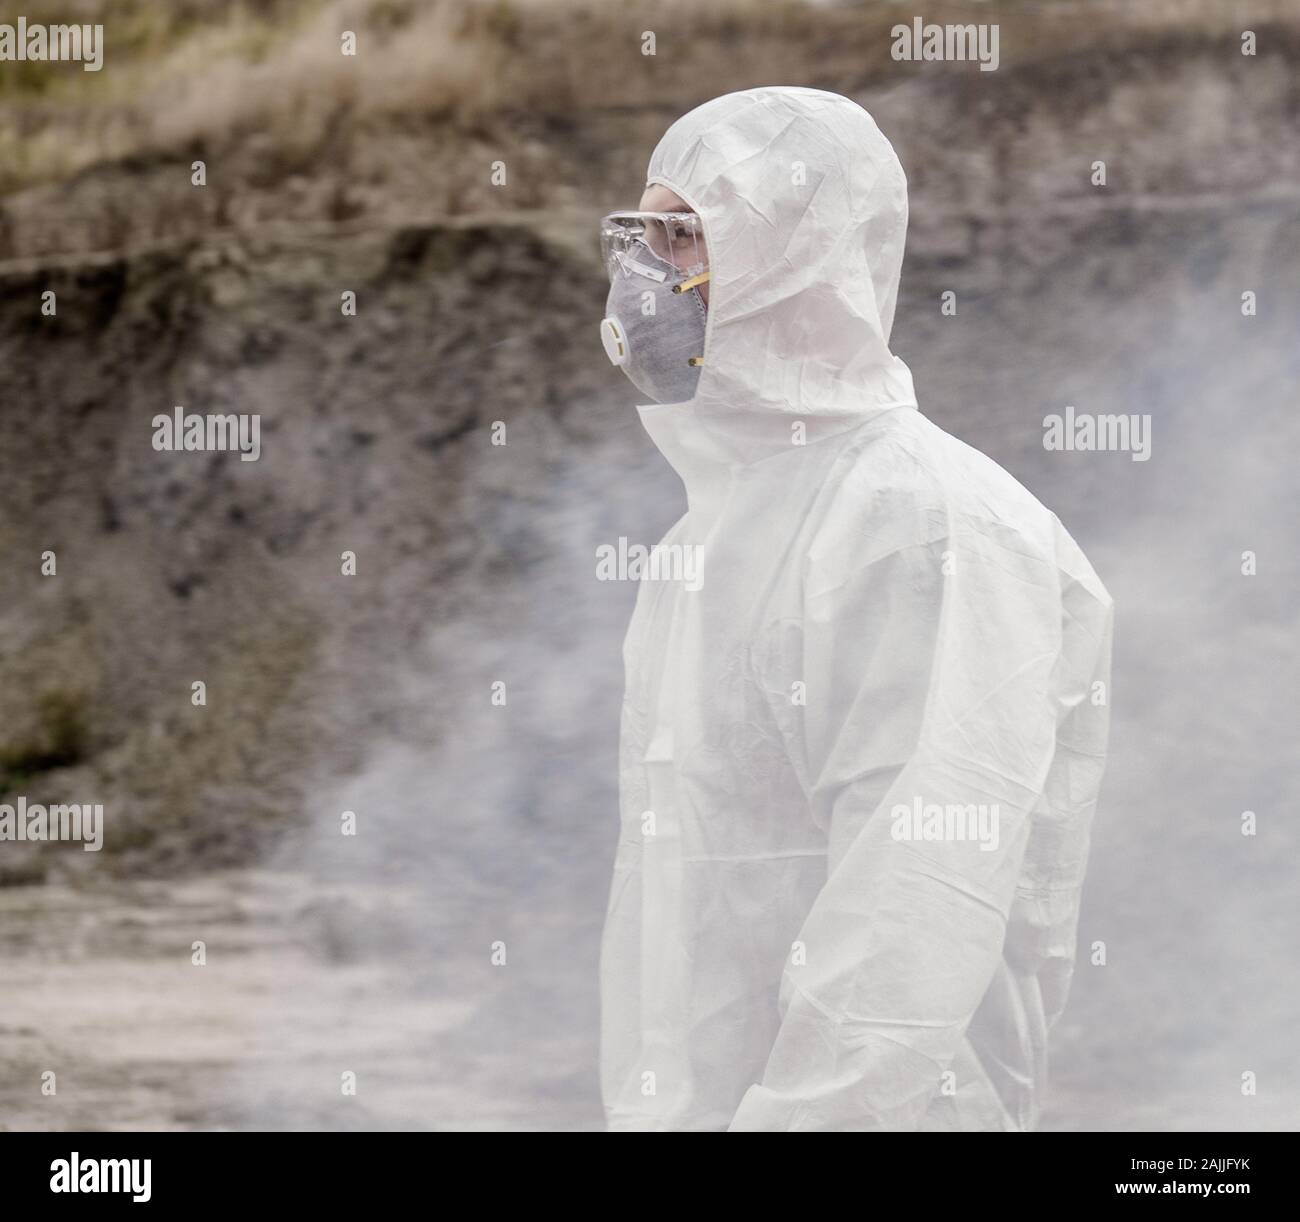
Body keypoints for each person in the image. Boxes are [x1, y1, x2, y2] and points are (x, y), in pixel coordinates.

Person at [596, 86, 1114, 1132]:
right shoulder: (704, 540)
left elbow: (910, 921)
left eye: (683, 232)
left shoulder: (930, 527)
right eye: (637, 231)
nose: (643, 271)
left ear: (798, 252)